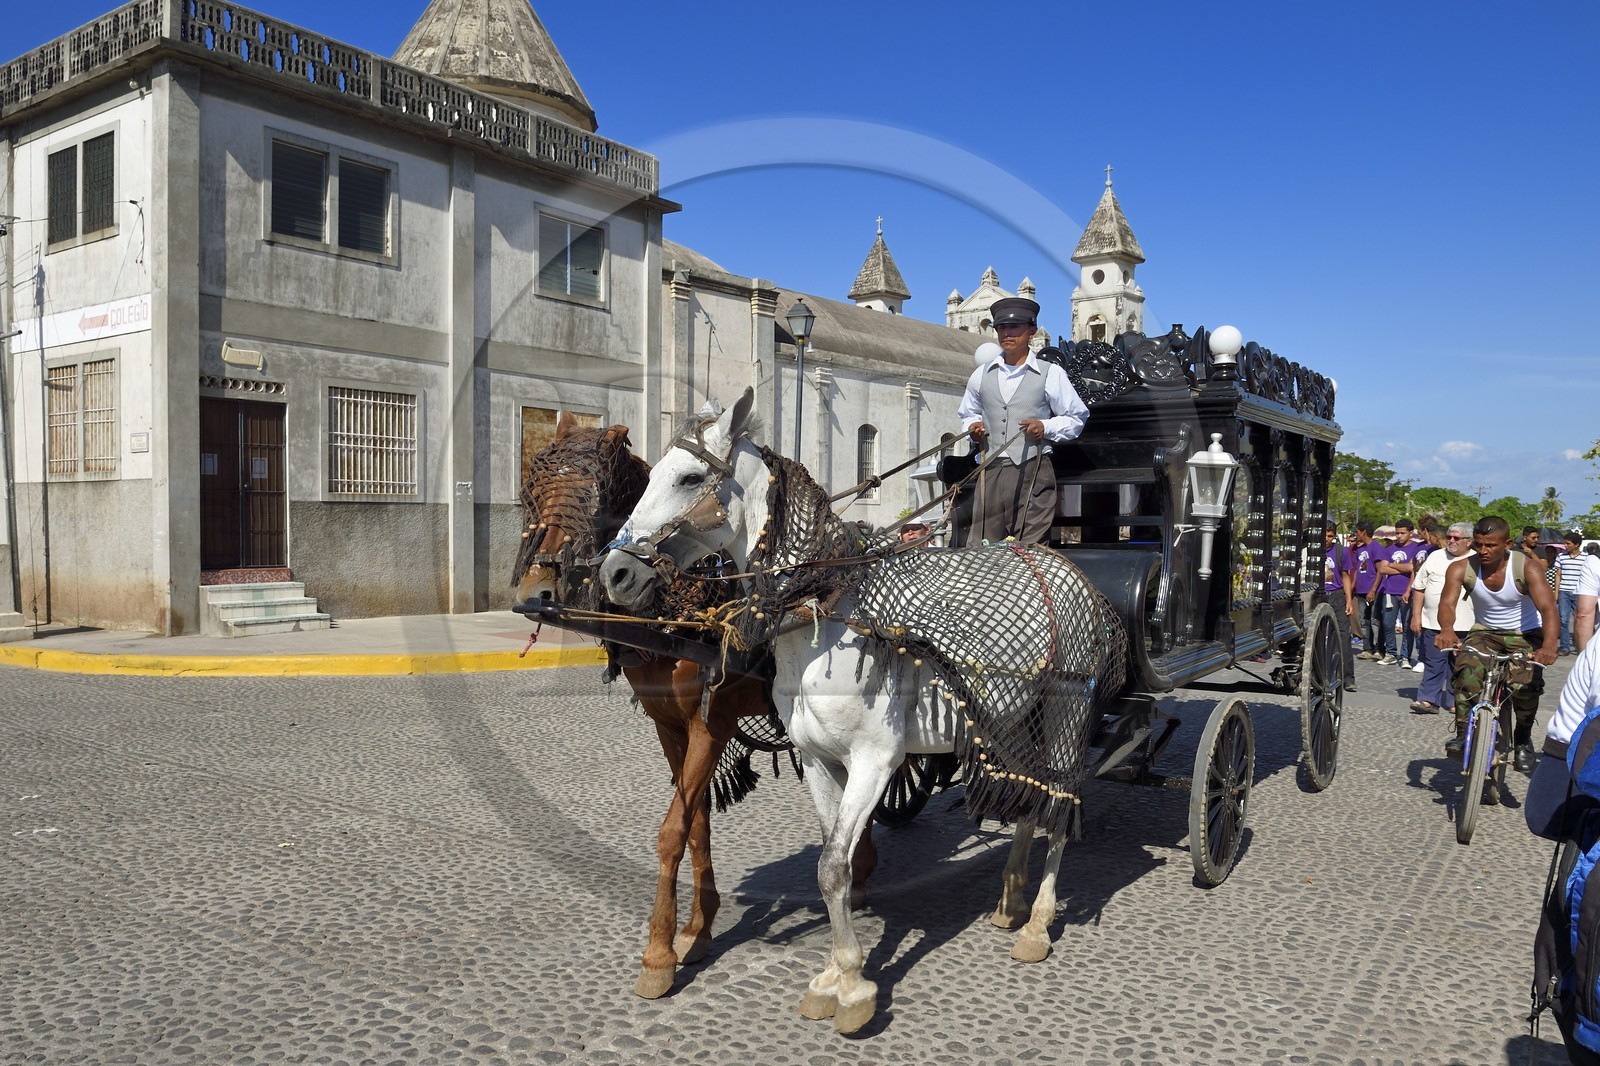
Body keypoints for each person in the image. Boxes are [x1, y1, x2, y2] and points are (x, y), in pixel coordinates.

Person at [1436, 516, 1560, 787]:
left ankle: (1523, 737)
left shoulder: (1527, 568)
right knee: (1466, 671)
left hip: (1525, 634)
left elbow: (1549, 610)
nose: (1483, 551)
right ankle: (1462, 732)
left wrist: (1549, 647)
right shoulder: (1461, 568)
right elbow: (1447, 603)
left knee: (1525, 684)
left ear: (1507, 544)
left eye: (1490, 545)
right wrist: (1447, 629)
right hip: (1485, 633)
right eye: (1478, 544)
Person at [957, 297, 1089, 545]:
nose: (1007, 333)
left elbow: (1077, 417)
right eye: (1001, 328)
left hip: (1033, 470)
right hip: (991, 471)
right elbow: (968, 413)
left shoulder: (1050, 373)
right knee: (983, 550)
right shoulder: (981, 374)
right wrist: (972, 429)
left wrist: (1045, 426)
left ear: (1032, 331)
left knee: (1031, 550)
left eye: (1014, 327)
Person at [1408, 521, 1475, 714]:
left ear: (1468, 541)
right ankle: (1428, 699)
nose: (1451, 541)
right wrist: (1416, 616)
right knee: (1434, 663)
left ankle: (1456, 701)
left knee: (1459, 666)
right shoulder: (1435, 557)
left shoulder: (1477, 560)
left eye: (1457, 538)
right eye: (1449, 537)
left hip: (1466, 625)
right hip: (1433, 622)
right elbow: (1419, 587)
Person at [1376, 519, 1428, 668]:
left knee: (1407, 626)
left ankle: (1405, 656)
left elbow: (1413, 568)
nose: (1399, 536)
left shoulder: (1415, 548)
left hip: (1408, 592)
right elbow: (1382, 569)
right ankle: (1391, 653)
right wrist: (1403, 567)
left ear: (1411, 533)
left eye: (1402, 533)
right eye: (1397, 533)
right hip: (1389, 592)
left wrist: (1392, 565)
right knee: (1388, 624)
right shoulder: (1389, 549)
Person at [1316, 523, 1357, 693]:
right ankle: (1321, 674)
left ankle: (1347, 677)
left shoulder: (1341, 552)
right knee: (1318, 636)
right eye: (1324, 535)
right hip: (1318, 595)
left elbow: (1346, 576)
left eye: (1330, 536)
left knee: (1343, 636)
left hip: (1337, 596)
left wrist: (1348, 600)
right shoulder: (1313, 550)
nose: (1327, 539)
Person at [1352, 522, 1384, 660]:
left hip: (1373, 590)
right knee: (1363, 620)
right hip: (1360, 590)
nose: (1356, 535)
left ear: (1364, 532)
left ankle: (1378, 649)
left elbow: (1380, 570)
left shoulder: (1376, 547)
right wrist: (1353, 586)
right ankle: (1367, 648)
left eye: (1357, 532)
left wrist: (1373, 590)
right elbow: (1357, 570)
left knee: (1375, 620)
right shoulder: (1360, 549)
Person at [1557, 532, 1590, 654]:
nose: (1565, 546)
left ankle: (1579, 645)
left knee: (1579, 620)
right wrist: (1557, 592)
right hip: (1564, 592)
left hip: (1579, 592)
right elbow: (1558, 575)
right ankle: (1565, 647)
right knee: (1563, 620)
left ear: (1576, 544)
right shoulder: (1561, 556)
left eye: (1568, 543)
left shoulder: (1586, 558)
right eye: (1564, 543)